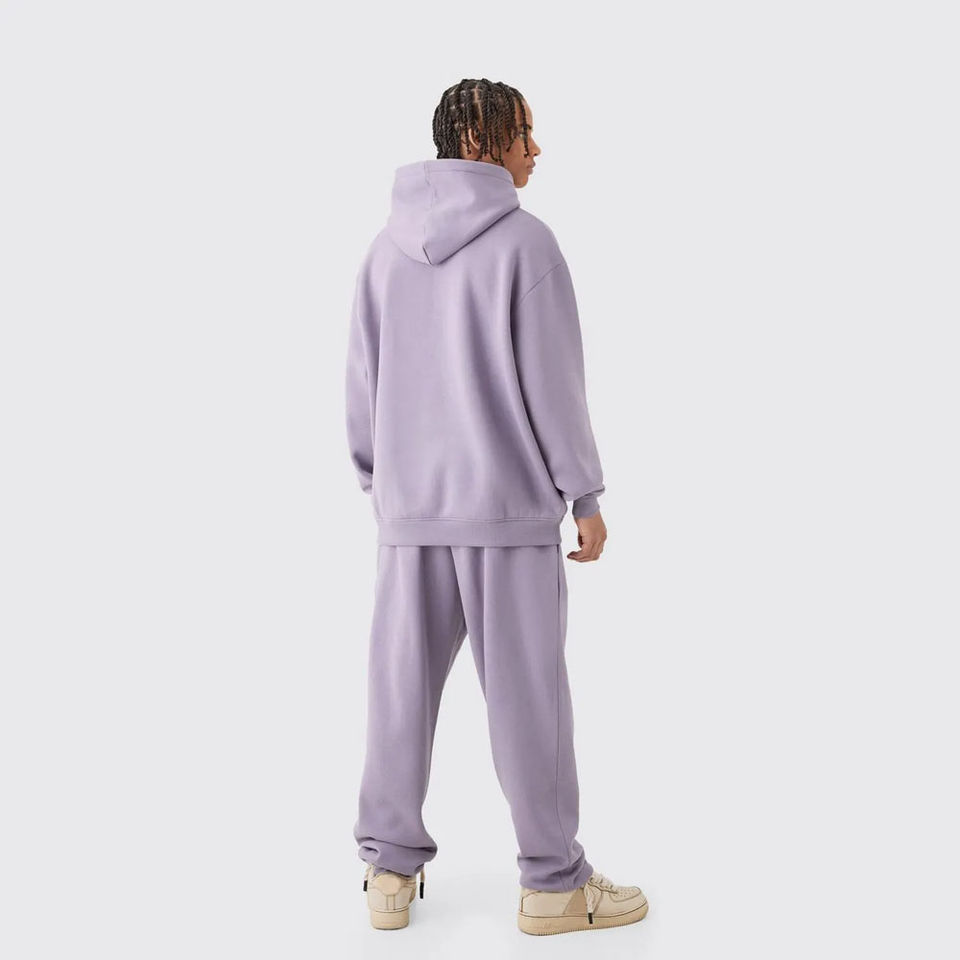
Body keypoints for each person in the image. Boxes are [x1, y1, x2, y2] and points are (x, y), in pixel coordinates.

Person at [345, 77, 647, 936]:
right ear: (479, 140)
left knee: (398, 696)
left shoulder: (383, 251)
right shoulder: (526, 244)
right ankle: (553, 884)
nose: (536, 150)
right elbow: (555, 385)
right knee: (529, 701)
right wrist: (583, 492)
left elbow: (362, 381)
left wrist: (386, 485)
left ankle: (388, 875)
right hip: (506, 517)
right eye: (523, 133)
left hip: (410, 519)